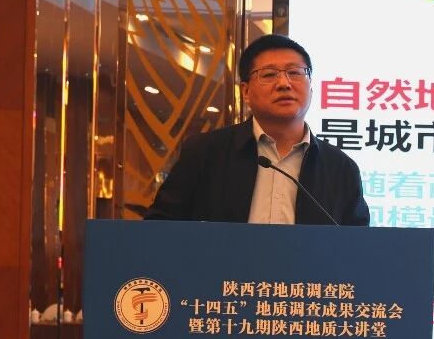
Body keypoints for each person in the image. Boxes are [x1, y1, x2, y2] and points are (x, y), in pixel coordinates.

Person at [144, 34, 369, 226]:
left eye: (295, 72)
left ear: (311, 86)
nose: (284, 83)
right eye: (269, 74)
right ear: (246, 92)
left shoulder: (341, 169)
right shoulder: (205, 153)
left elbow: (357, 247)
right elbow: (160, 227)